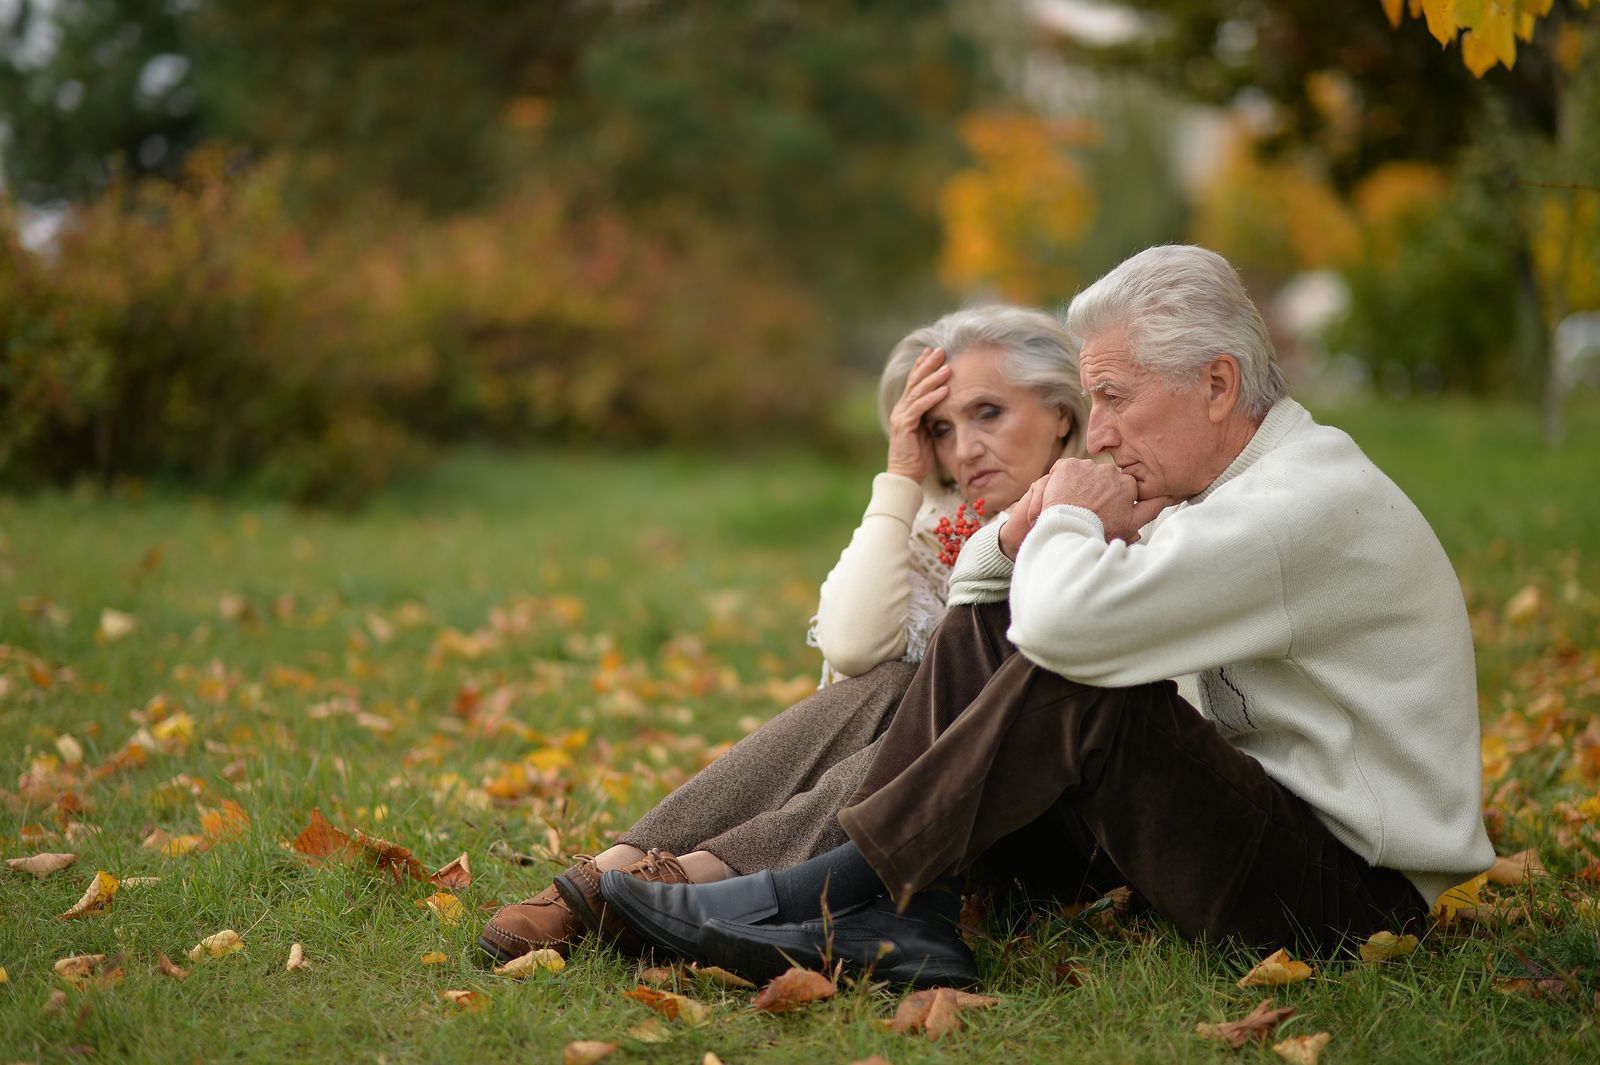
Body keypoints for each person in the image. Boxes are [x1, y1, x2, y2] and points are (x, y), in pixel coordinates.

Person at [596, 244, 1497, 989]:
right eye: (1093, 399)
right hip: (1251, 829)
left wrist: (1059, 507)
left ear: (1218, 385)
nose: (1097, 432)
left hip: (1346, 899)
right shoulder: (1224, 486)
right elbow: (988, 604)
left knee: (1083, 680)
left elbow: (1064, 633)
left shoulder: (1293, 506)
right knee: (981, 641)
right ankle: (889, 906)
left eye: (1114, 396)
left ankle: (840, 896)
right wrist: (1025, 524)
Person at [478, 304, 1089, 963]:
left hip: (1053, 822)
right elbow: (853, 647)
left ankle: (694, 883)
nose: (964, 449)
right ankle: (614, 873)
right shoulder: (948, 524)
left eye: (988, 413)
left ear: (1061, 412)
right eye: (941, 428)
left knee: (943, 677)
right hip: (933, 823)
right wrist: (901, 480)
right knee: (891, 679)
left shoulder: (1114, 509)